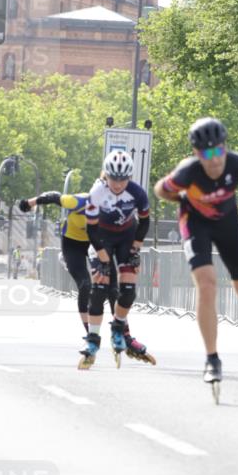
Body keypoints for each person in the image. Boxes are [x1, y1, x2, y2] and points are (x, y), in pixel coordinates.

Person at [154, 117, 238, 385]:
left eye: (219, 150)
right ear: (197, 154)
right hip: (196, 224)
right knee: (207, 285)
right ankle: (212, 358)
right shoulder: (187, 173)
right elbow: (160, 189)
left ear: (225, 148)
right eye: (207, 153)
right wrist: (182, 198)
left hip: (228, 225)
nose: (215, 159)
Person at [80, 149, 155, 367]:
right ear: (106, 175)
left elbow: (145, 222)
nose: (118, 184)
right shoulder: (97, 192)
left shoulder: (137, 193)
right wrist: (103, 258)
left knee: (129, 291)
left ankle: (117, 327)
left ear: (129, 177)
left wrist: (136, 248)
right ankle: (92, 339)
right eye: (114, 178)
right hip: (101, 238)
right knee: (100, 286)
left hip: (126, 238)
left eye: (123, 179)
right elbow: (91, 230)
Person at [18, 190, 123, 338]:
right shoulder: (77, 202)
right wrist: (29, 203)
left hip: (96, 243)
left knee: (112, 287)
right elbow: (53, 197)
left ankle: (118, 329)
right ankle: (89, 332)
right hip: (72, 243)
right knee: (85, 285)